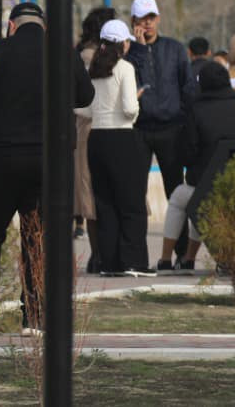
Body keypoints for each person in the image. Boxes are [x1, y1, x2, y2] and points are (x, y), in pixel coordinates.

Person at [0, 2, 95, 334]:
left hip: (2, 156)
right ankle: (34, 316)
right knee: (41, 236)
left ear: (10, 26)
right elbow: (85, 95)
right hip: (52, 159)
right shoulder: (63, 53)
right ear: (44, 27)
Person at [157, 59, 235, 272]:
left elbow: (186, 154)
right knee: (199, 198)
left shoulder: (196, 112)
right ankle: (188, 257)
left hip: (206, 187)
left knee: (181, 197)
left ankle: (166, 259)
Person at [123, 0, 196, 264]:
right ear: (133, 22)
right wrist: (139, 49)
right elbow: (129, 80)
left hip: (170, 129)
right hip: (139, 129)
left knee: (176, 193)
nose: (148, 24)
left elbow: (187, 87)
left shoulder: (175, 49)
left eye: (151, 18)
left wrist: (187, 122)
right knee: (135, 192)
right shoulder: (128, 53)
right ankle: (136, 255)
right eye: (142, 19)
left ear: (158, 18)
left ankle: (182, 253)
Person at [77, 19, 148, 277]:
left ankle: (109, 263)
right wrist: (136, 106)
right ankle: (133, 261)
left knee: (105, 204)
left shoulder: (93, 68)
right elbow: (129, 108)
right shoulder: (125, 68)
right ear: (123, 43)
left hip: (96, 139)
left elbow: (83, 108)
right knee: (131, 203)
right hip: (122, 138)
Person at [72, 6, 116, 248]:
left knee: (86, 183)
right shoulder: (93, 57)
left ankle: (92, 242)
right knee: (92, 185)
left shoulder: (83, 53)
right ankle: (99, 249)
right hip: (94, 124)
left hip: (85, 124)